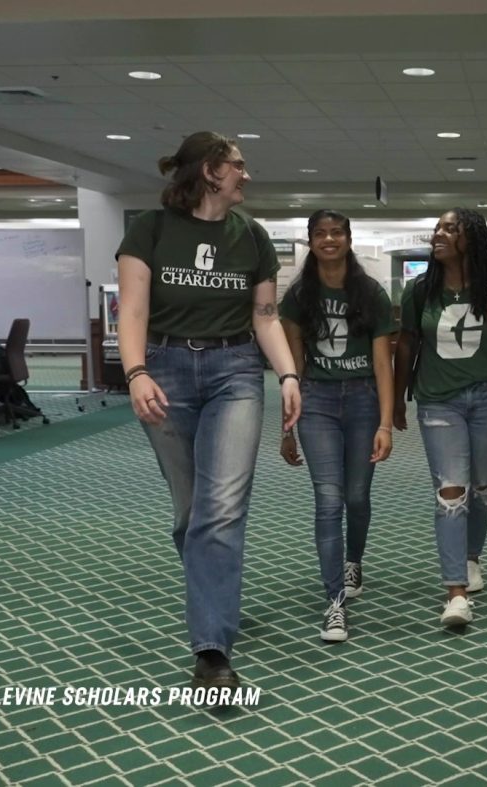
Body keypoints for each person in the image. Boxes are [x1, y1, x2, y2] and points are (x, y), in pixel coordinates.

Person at [115, 131, 301, 693]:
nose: (247, 175)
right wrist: (135, 372)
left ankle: (211, 649)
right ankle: (213, 595)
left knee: (220, 509)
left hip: (235, 372)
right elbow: (133, 309)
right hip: (165, 370)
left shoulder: (254, 237)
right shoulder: (150, 229)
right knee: (190, 512)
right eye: (238, 166)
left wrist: (289, 374)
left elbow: (265, 317)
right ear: (209, 171)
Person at [392, 208, 487, 628]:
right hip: (438, 402)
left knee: (482, 486)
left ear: (471, 240)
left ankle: (473, 557)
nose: (438, 234)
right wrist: (398, 400)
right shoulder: (420, 291)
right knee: (451, 492)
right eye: (437, 227)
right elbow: (405, 344)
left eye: (449, 229)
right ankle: (455, 592)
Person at [278, 209, 395, 643]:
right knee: (328, 500)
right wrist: (287, 426)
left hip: (363, 398)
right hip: (318, 402)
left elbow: (384, 362)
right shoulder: (297, 297)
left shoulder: (370, 293)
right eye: (320, 234)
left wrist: (386, 422)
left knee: (357, 495)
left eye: (336, 233)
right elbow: (293, 366)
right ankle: (335, 604)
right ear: (311, 241)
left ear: (348, 239)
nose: (329, 240)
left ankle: (354, 560)